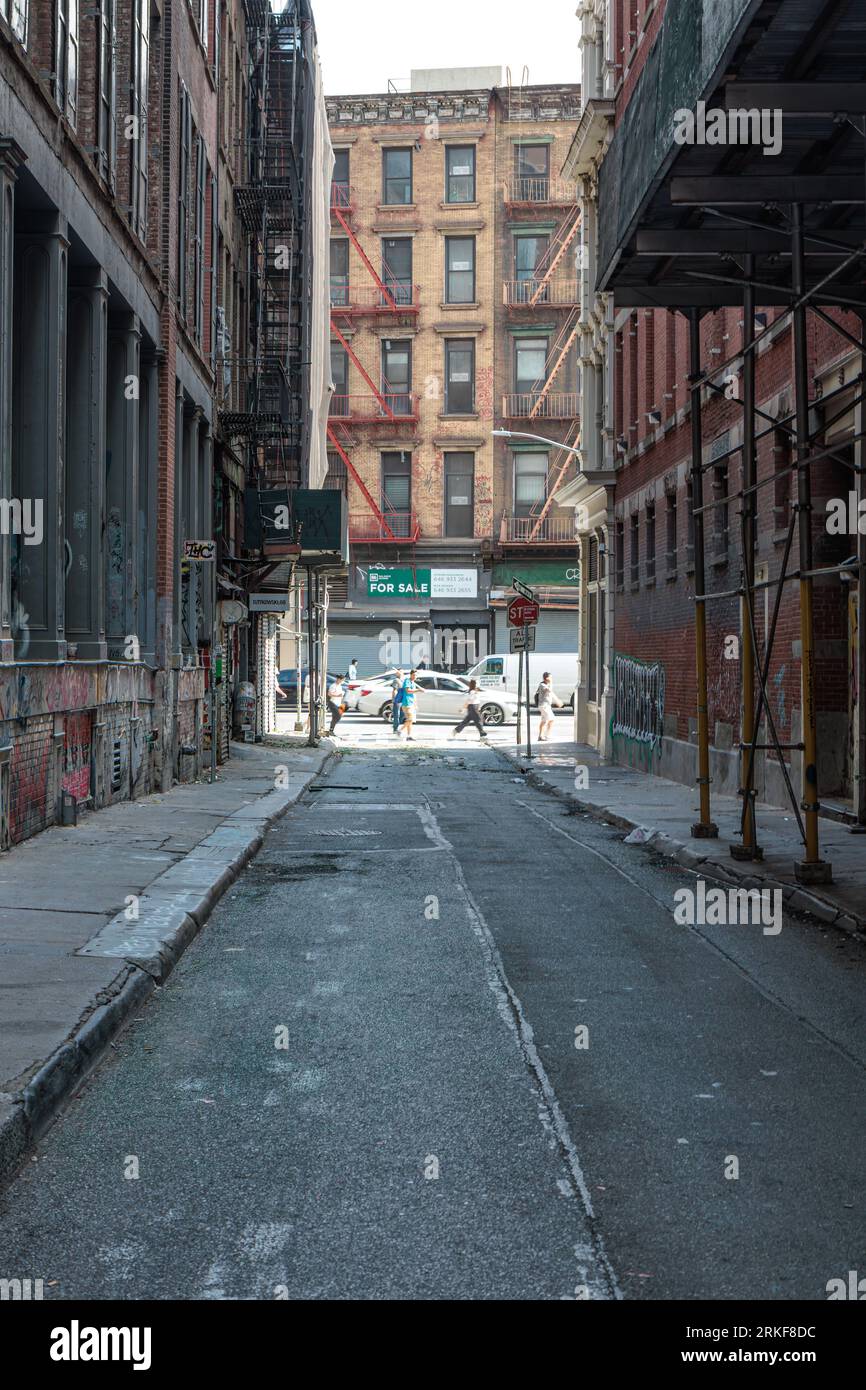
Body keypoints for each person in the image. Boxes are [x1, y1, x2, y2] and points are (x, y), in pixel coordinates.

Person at [535, 671, 563, 742]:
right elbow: (549, 690)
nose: (551, 679)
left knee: (544, 721)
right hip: (544, 706)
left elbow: (551, 694)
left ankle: (541, 736)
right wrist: (551, 683)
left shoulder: (546, 685)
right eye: (550, 677)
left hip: (545, 706)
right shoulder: (542, 685)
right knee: (551, 720)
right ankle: (546, 735)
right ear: (546, 678)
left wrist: (557, 701)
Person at [398, 669, 418, 741]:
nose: (415, 676)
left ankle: (409, 736)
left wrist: (415, 704)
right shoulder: (407, 681)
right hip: (407, 703)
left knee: (410, 721)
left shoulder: (413, 682)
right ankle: (400, 730)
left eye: (416, 675)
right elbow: (408, 691)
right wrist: (418, 690)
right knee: (410, 719)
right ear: (411, 674)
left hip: (411, 703)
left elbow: (413, 695)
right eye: (414, 675)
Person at [390, 668, 405, 735]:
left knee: (402, 715)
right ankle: (395, 729)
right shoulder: (396, 680)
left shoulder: (403, 680)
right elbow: (394, 690)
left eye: (402, 672)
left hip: (403, 700)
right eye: (400, 672)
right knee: (397, 715)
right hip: (397, 700)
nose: (401, 673)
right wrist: (394, 700)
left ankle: (395, 725)